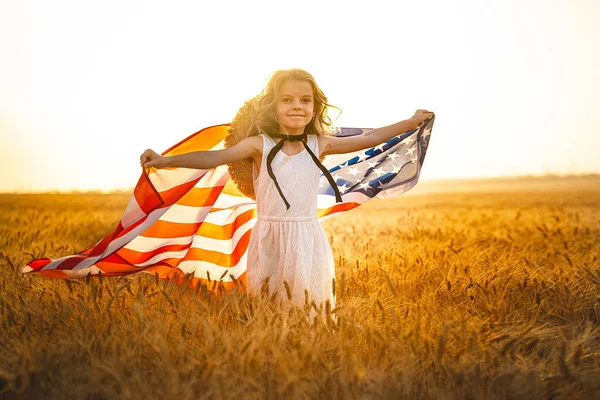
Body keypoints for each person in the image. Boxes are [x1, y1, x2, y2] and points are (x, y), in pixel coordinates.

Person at [139, 68, 433, 313]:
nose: (297, 106)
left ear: (315, 107)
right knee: (269, 307)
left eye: (305, 100)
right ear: (273, 107)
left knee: (310, 308)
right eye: (287, 100)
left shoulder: (321, 143)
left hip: (307, 237)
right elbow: (212, 158)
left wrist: (409, 122)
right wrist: (166, 161)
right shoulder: (259, 144)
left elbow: (369, 136)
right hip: (269, 236)